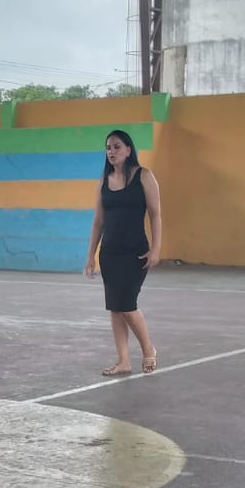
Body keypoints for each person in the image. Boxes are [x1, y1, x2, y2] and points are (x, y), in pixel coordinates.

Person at [85, 129, 162, 376]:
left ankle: (148, 349)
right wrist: (90, 256)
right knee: (115, 308)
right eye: (108, 147)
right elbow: (98, 222)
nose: (112, 151)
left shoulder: (144, 176)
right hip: (110, 253)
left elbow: (155, 214)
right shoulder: (103, 182)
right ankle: (123, 361)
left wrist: (156, 249)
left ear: (128, 150)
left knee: (127, 305)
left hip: (135, 252)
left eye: (117, 147)